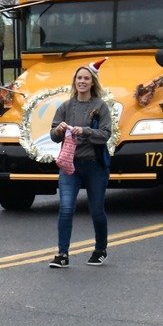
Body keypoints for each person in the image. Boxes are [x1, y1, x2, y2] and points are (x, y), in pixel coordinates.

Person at [48, 65, 112, 268]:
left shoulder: (100, 106)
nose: (82, 81)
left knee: (96, 210)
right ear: (74, 81)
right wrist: (58, 130)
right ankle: (62, 254)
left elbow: (106, 134)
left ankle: (100, 249)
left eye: (86, 78)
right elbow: (53, 134)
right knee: (66, 208)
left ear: (92, 82)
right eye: (79, 78)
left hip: (95, 165)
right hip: (70, 166)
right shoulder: (66, 107)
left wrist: (85, 131)